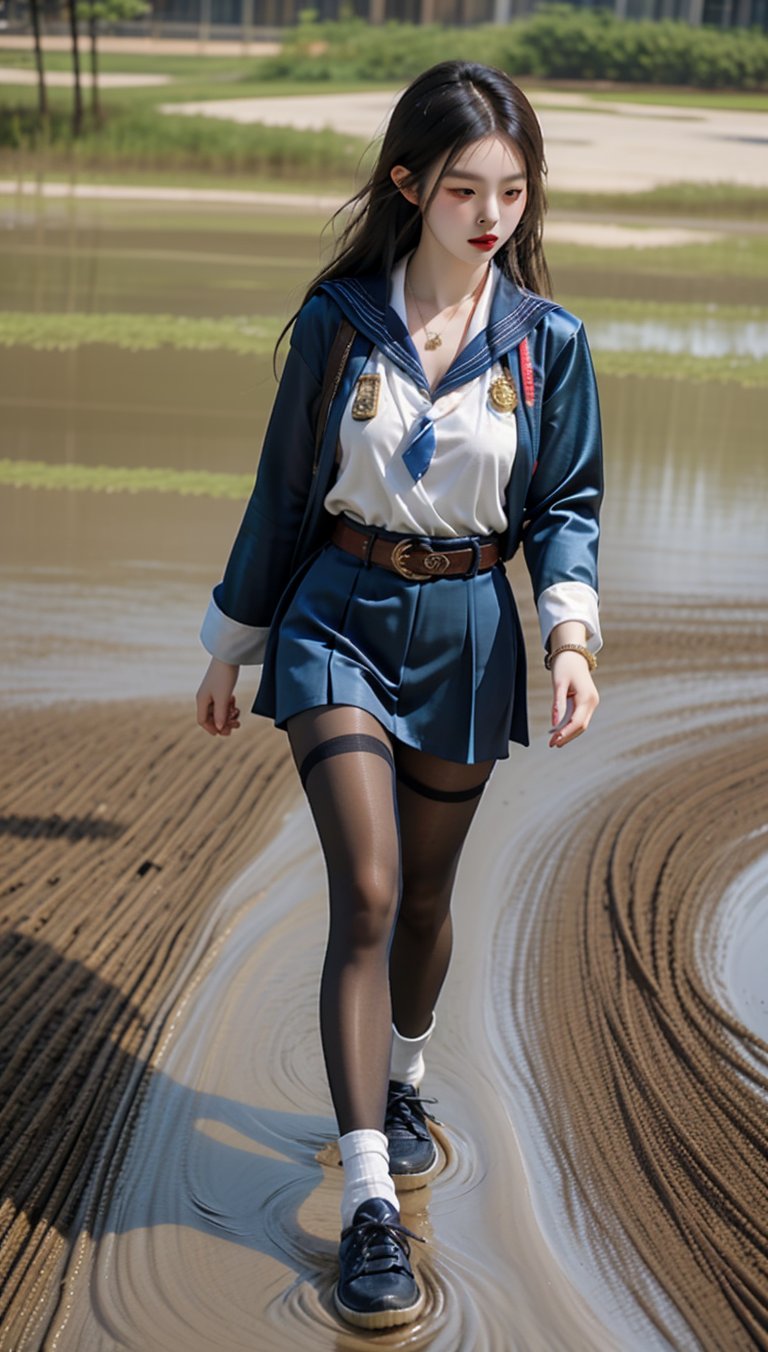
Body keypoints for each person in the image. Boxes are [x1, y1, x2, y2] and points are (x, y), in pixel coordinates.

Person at [195, 59, 603, 1331]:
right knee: (366, 887)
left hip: (470, 631)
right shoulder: (336, 322)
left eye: (513, 192)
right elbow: (279, 494)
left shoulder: (548, 346)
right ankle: (371, 1197)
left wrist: (570, 634)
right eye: (467, 188)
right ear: (409, 183)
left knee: (424, 896)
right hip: (335, 617)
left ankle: (405, 1074)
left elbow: (567, 507)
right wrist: (232, 642)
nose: (492, 215)